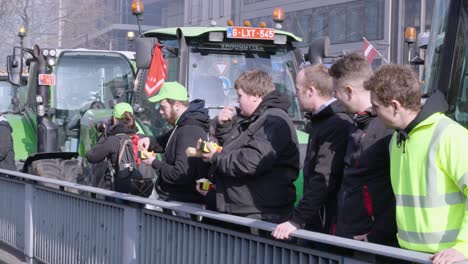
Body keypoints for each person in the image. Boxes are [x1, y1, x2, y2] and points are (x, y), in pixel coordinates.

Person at [364, 64, 468, 263]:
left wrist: (464, 247)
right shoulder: (396, 140)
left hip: (448, 258)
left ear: (395, 106)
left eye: (376, 106)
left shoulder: (449, 136)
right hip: (409, 254)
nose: (372, 110)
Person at [201, 69, 300, 225]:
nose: (237, 102)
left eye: (240, 96)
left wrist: (215, 157)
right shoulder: (256, 118)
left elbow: (249, 162)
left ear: (256, 95)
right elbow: (235, 148)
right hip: (246, 208)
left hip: (259, 213)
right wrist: (224, 127)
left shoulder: (273, 121)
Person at [272, 64, 353, 240]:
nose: (295, 94)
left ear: (311, 91)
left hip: (327, 220)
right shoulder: (322, 121)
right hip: (320, 217)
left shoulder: (335, 123)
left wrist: (296, 219)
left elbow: (323, 177)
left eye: (298, 89)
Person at [328, 53, 397, 246]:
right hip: (353, 234)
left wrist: (376, 235)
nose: (335, 98)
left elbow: (397, 193)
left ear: (349, 91)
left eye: (336, 92)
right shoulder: (357, 124)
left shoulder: (385, 129)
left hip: (368, 240)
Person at [138, 82, 210, 213]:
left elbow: (180, 174)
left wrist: (153, 162)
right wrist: (149, 140)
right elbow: (164, 141)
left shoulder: (189, 130)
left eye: (163, 107)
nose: (160, 112)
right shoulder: (182, 124)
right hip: (173, 201)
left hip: (180, 205)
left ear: (177, 105)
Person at [87, 102, 143, 191]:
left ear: (114, 119)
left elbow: (92, 156)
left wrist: (104, 134)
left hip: (119, 193)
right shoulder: (142, 138)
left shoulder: (113, 140)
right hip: (141, 191)